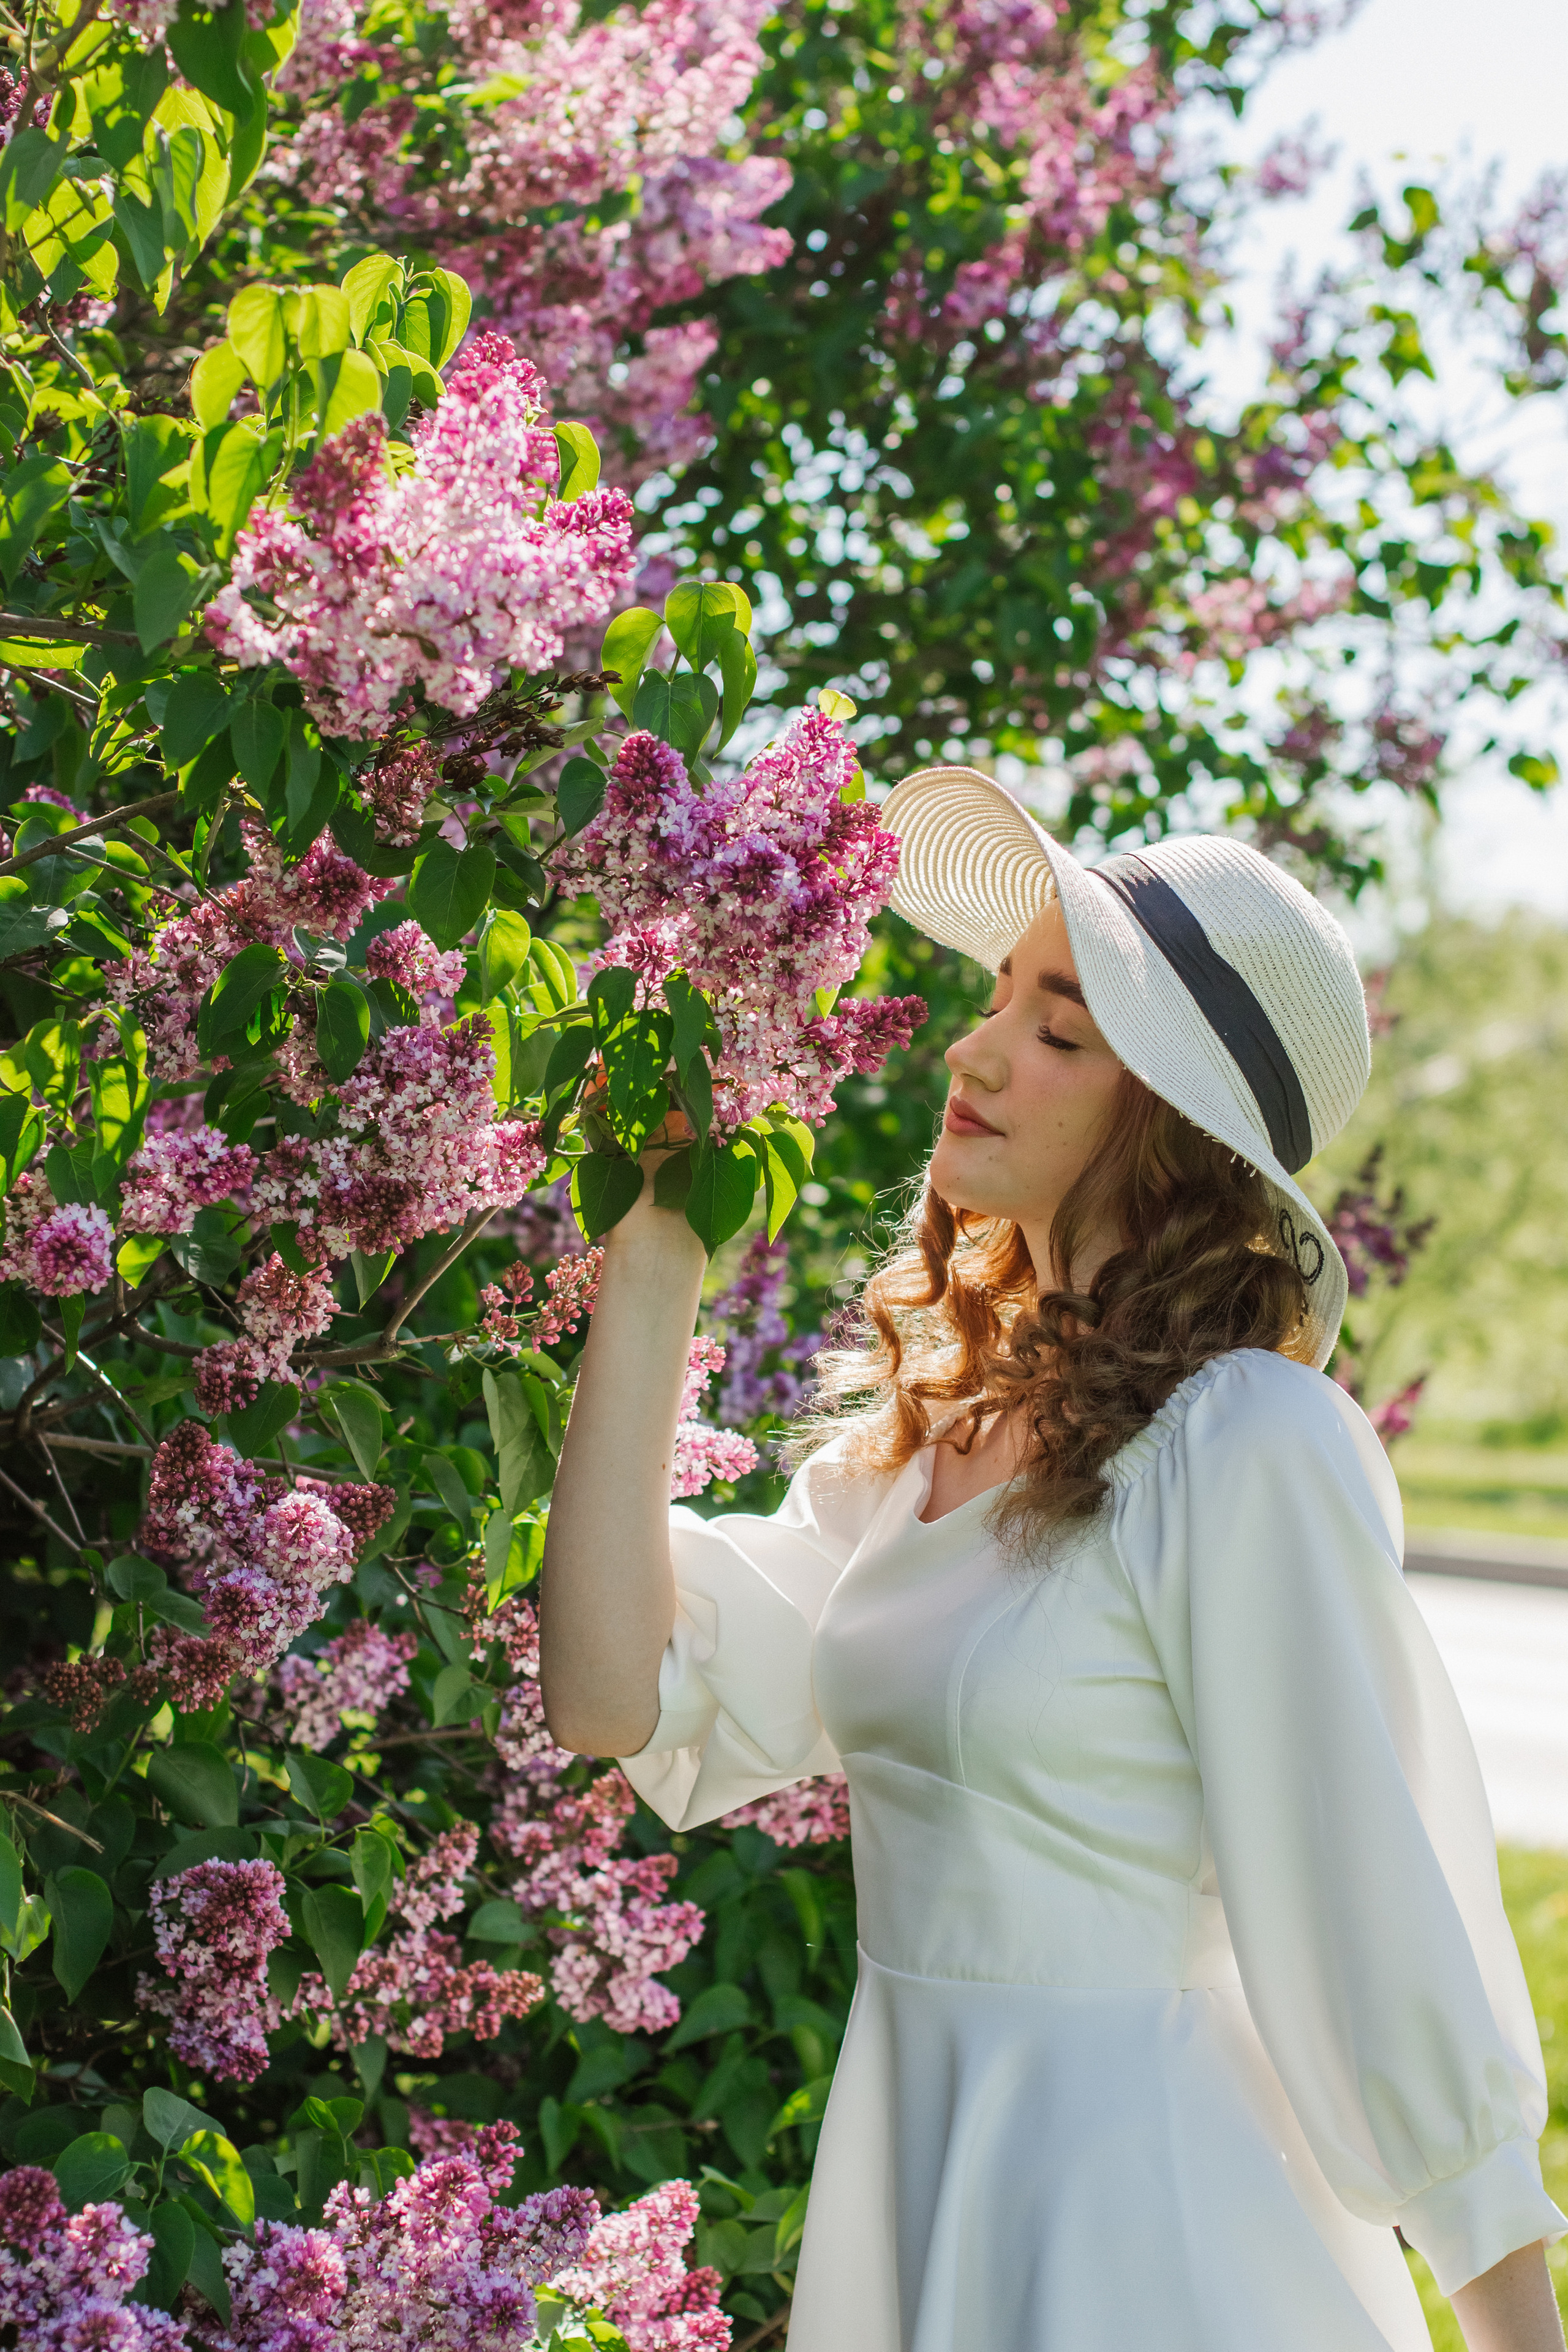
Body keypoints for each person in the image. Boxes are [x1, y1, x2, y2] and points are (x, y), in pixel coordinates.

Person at [540, 762, 1567, 2352]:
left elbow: (1378, 1922)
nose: (974, 1047)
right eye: (1000, 997)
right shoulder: (929, 1447)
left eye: (1062, 1031)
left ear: (1170, 1131)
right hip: (928, 2194)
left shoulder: (1242, 1442)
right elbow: (613, 1691)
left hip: (1151, 2239)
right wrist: (658, 1247)